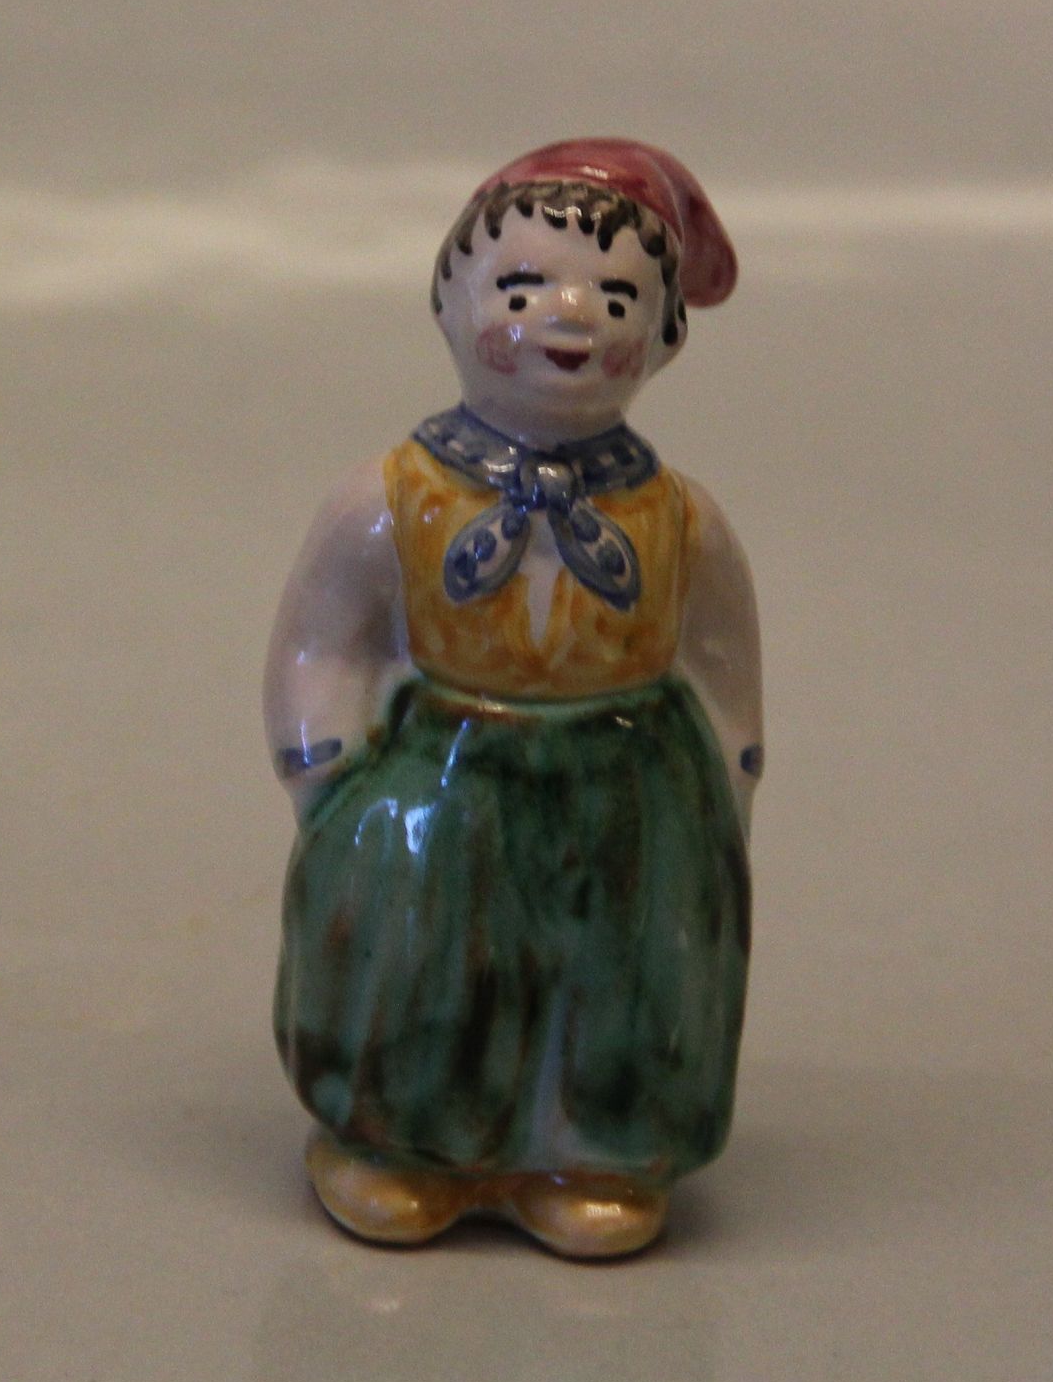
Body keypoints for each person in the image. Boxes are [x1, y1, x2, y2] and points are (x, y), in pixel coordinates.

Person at [264, 139, 763, 1258]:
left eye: (619, 298)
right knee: (426, 967)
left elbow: (724, 660)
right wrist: (323, 771)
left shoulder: (684, 519)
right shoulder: (386, 498)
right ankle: (397, 1146)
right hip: (442, 777)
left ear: (667, 339)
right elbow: (321, 643)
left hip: (632, 791)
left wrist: (727, 788)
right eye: (522, 286)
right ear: (448, 304)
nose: (568, 318)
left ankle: (593, 1153)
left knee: (615, 980)